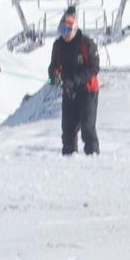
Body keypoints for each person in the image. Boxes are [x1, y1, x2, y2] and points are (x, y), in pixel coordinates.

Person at [49, 8, 101, 157]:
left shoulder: (86, 44)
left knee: (87, 127)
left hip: (88, 91)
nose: (65, 33)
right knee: (68, 130)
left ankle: (93, 158)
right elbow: (54, 67)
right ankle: (69, 159)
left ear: (74, 28)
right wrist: (55, 78)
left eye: (68, 29)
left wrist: (75, 80)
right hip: (69, 91)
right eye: (62, 29)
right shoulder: (58, 46)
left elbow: (94, 67)